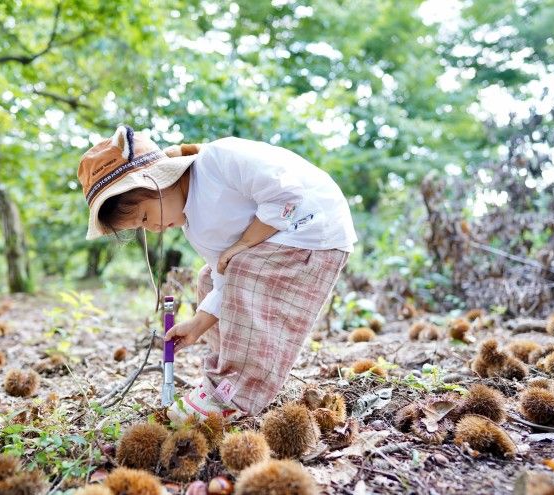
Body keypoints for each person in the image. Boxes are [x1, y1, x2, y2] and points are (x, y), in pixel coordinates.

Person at [77, 125, 357, 424]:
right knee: (208, 278)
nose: (154, 228)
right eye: (142, 227)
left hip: (314, 230)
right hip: (279, 245)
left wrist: (246, 243)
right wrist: (199, 323)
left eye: (145, 216)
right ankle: (226, 376)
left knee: (244, 267)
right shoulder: (195, 229)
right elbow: (224, 279)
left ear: (159, 180)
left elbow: (287, 194)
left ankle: (236, 394)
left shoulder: (219, 160)